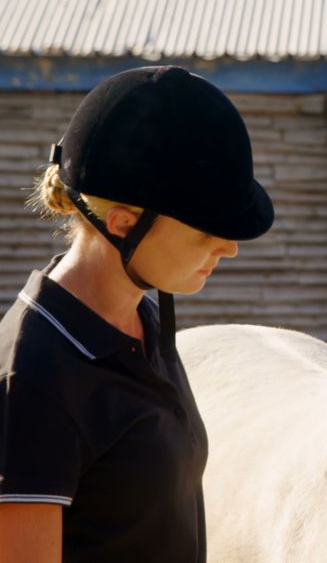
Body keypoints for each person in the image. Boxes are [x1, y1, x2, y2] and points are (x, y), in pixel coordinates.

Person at [0, 66, 273, 562]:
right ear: (124, 224)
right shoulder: (35, 377)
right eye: (205, 232)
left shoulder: (145, 321)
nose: (230, 249)